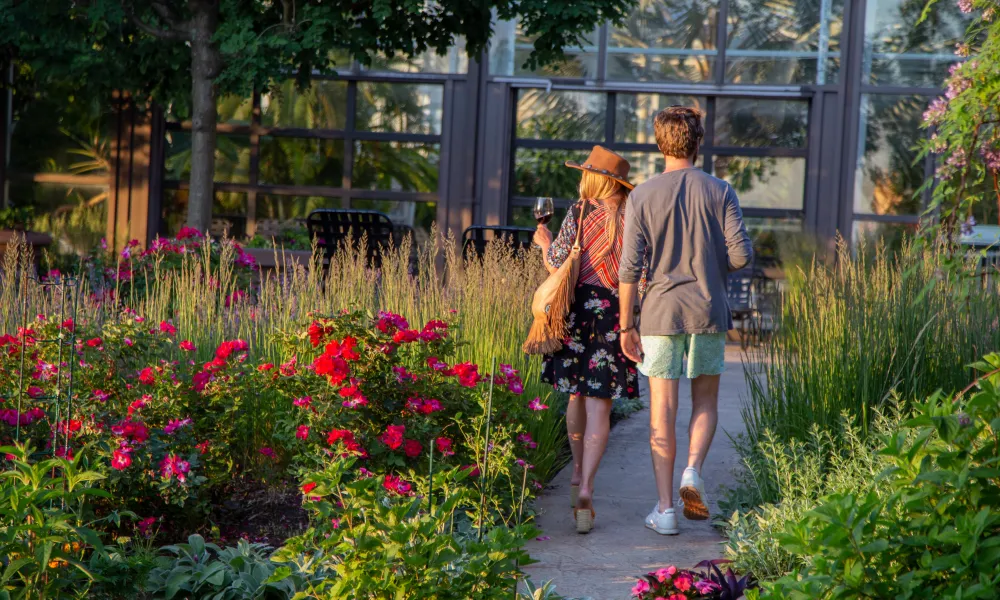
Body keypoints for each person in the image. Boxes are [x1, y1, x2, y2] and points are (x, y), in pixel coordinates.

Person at [617, 106, 752, 536]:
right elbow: (741, 255)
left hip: (659, 314)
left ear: (659, 143)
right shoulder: (721, 190)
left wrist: (626, 326)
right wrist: (711, 266)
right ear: (699, 142)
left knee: (663, 408)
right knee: (706, 401)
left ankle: (665, 511)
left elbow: (629, 270)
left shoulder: (641, 195)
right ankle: (692, 471)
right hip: (708, 312)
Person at [533, 146, 642, 534]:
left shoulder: (579, 212)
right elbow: (641, 277)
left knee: (575, 396)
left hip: (577, 312)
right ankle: (589, 487)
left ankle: (576, 471)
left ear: (594, 178)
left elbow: (558, 264)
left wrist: (544, 242)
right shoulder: (634, 215)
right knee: (601, 406)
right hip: (616, 314)